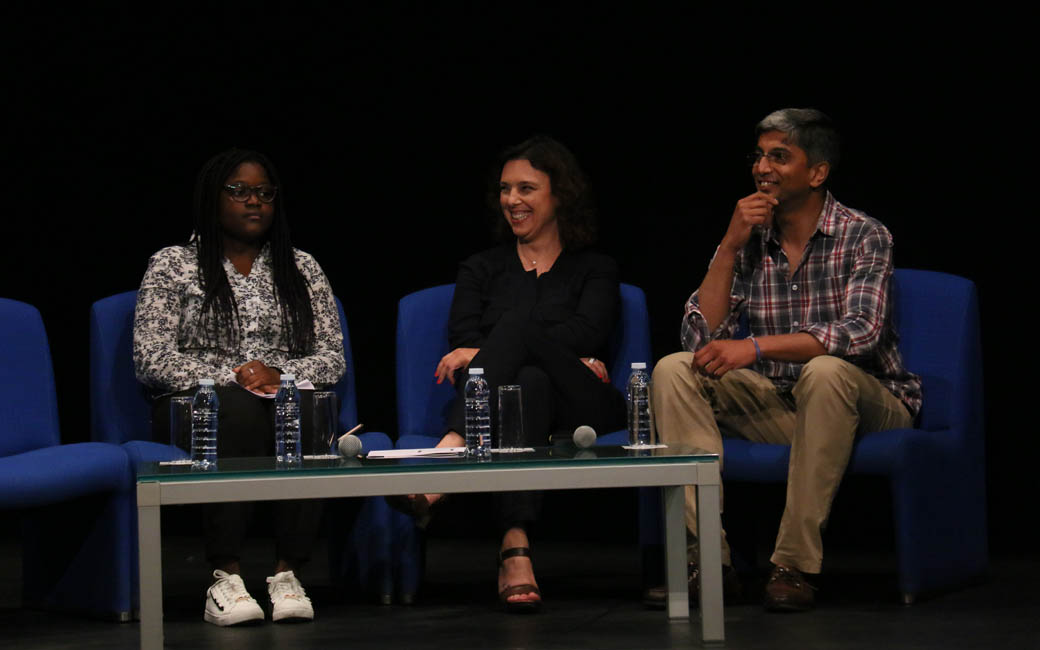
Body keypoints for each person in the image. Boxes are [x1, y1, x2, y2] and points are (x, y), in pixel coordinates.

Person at [650, 109, 921, 612]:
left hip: (870, 407)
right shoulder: (751, 241)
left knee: (826, 371)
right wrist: (729, 246)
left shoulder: (864, 234)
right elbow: (700, 337)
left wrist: (756, 348)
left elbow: (859, 333)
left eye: (780, 156)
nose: (762, 168)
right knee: (673, 370)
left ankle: (793, 566)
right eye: (758, 156)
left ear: (818, 172)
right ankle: (708, 559)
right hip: (783, 405)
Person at [391, 135, 626, 613]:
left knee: (518, 328)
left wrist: (499, 343)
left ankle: (451, 447)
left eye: (526, 189)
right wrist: (543, 349)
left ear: (559, 194)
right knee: (528, 383)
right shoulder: (480, 268)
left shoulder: (595, 268)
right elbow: (461, 334)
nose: (512, 201)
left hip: (585, 404)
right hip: (517, 400)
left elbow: (588, 329)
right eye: (505, 189)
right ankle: (515, 550)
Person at [133, 148, 346, 625]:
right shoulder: (173, 264)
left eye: (265, 193)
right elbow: (150, 358)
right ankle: (224, 576)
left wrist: (280, 375)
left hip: (279, 400)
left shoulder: (301, 267)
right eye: (240, 191)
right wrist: (232, 377)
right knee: (237, 409)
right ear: (213, 197)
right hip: (195, 404)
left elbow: (333, 357)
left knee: (307, 409)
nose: (255, 202)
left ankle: (287, 573)